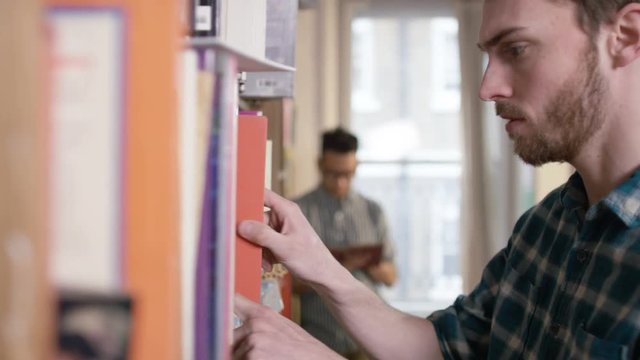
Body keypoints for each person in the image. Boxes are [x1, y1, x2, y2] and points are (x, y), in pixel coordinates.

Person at [232, 0, 640, 358]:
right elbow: (441, 348)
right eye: (488, 55)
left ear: (625, 35)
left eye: (516, 49)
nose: (487, 88)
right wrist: (321, 266)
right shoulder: (545, 226)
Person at [292, 128, 396, 359]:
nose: (340, 182)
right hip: (320, 342)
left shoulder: (373, 211)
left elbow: (391, 277)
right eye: (333, 174)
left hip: (371, 342)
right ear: (320, 165)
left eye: (347, 175)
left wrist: (364, 262)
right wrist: (332, 267)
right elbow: (290, 285)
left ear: (356, 167)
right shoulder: (298, 211)